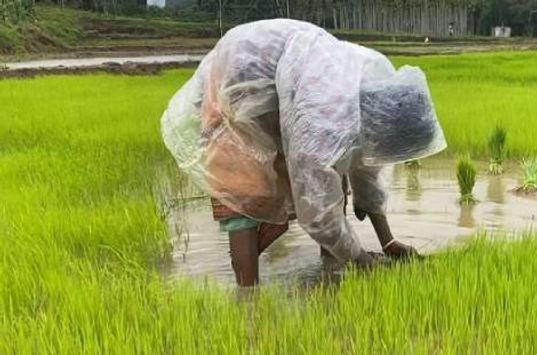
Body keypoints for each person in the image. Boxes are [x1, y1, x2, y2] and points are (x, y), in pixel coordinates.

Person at [161, 19, 447, 286]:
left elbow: (366, 172)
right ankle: (249, 302)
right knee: (245, 189)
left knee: (335, 172)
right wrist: (361, 261)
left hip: (285, 78)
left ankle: (330, 268)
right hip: (237, 79)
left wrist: (388, 243)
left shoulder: (378, 88)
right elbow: (317, 211)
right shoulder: (327, 113)